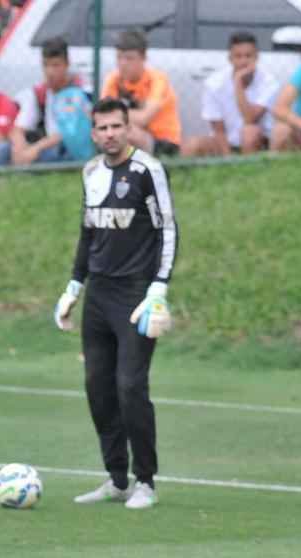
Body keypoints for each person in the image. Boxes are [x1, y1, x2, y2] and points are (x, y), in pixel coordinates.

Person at [53, 98, 179, 511]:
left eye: (116, 126)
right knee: (98, 388)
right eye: (102, 128)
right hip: (99, 296)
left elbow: (168, 229)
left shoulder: (147, 171)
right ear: (93, 133)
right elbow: (88, 234)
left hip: (137, 295)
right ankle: (117, 478)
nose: (109, 134)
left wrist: (159, 286)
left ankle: (146, 481)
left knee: (130, 386)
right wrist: (74, 286)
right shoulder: (90, 172)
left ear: (128, 129)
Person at [0, 36, 93, 167]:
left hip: (66, 146)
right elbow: (18, 128)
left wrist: (35, 149)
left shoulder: (80, 91)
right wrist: (20, 146)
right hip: (45, 144)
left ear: (67, 64)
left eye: (56, 65)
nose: (50, 72)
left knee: (53, 153)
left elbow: (67, 133)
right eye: (46, 65)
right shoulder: (39, 93)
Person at [181, 31, 281, 157]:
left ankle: (250, 171)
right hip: (224, 142)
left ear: (257, 58)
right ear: (230, 59)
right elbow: (218, 129)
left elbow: (249, 119)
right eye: (238, 56)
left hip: (258, 141)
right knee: (191, 145)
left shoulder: (268, 82)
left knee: (249, 132)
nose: (244, 61)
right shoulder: (214, 83)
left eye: (248, 56)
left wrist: (238, 83)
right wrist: (228, 159)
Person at [99, 30, 182, 156]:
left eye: (129, 58)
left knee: (125, 131)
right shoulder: (113, 79)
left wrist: (113, 113)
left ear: (143, 58)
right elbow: (101, 116)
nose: (122, 63)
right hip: (130, 133)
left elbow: (144, 118)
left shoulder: (157, 79)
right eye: (119, 57)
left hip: (163, 141)